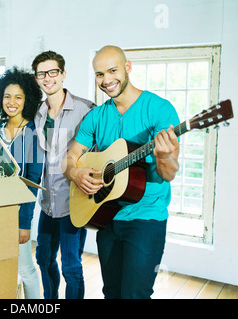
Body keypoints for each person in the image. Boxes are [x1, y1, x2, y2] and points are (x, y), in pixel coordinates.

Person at [63, 45, 180, 299]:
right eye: (99, 74)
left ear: (127, 67)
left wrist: (165, 155)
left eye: (112, 71)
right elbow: (70, 158)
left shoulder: (159, 109)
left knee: (134, 295)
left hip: (146, 219)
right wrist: (75, 174)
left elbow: (169, 174)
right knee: (112, 292)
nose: (106, 80)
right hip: (106, 216)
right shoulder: (96, 116)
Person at [32, 50, 96, 299]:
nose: (48, 78)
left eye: (53, 72)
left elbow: (97, 155)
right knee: (44, 258)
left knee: (71, 267)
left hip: (73, 204)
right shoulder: (37, 113)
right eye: (41, 74)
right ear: (36, 79)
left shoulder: (86, 110)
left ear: (63, 74)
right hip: (48, 203)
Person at [0, 67, 44, 299]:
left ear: (27, 100)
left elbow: (31, 183)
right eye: (7, 96)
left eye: (18, 97)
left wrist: (24, 223)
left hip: (18, 213)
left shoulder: (34, 134)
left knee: (25, 269)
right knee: (0, 266)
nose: (12, 102)